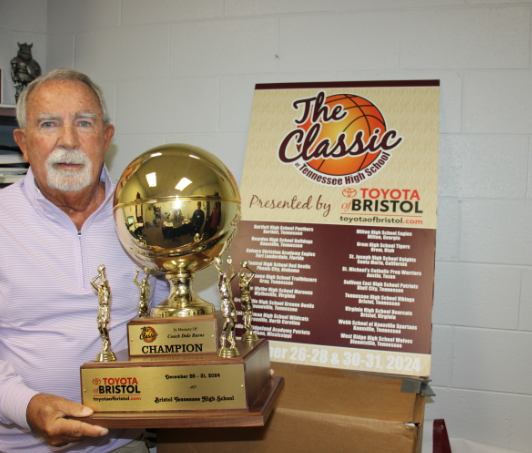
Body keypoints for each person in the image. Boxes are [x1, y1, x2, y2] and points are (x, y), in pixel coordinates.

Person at [0, 69, 157, 452]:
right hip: (21, 444)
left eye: (83, 123)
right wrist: (27, 406)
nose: (67, 141)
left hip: (122, 443)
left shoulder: (150, 219)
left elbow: (170, 321)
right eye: (49, 124)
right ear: (23, 142)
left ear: (105, 138)